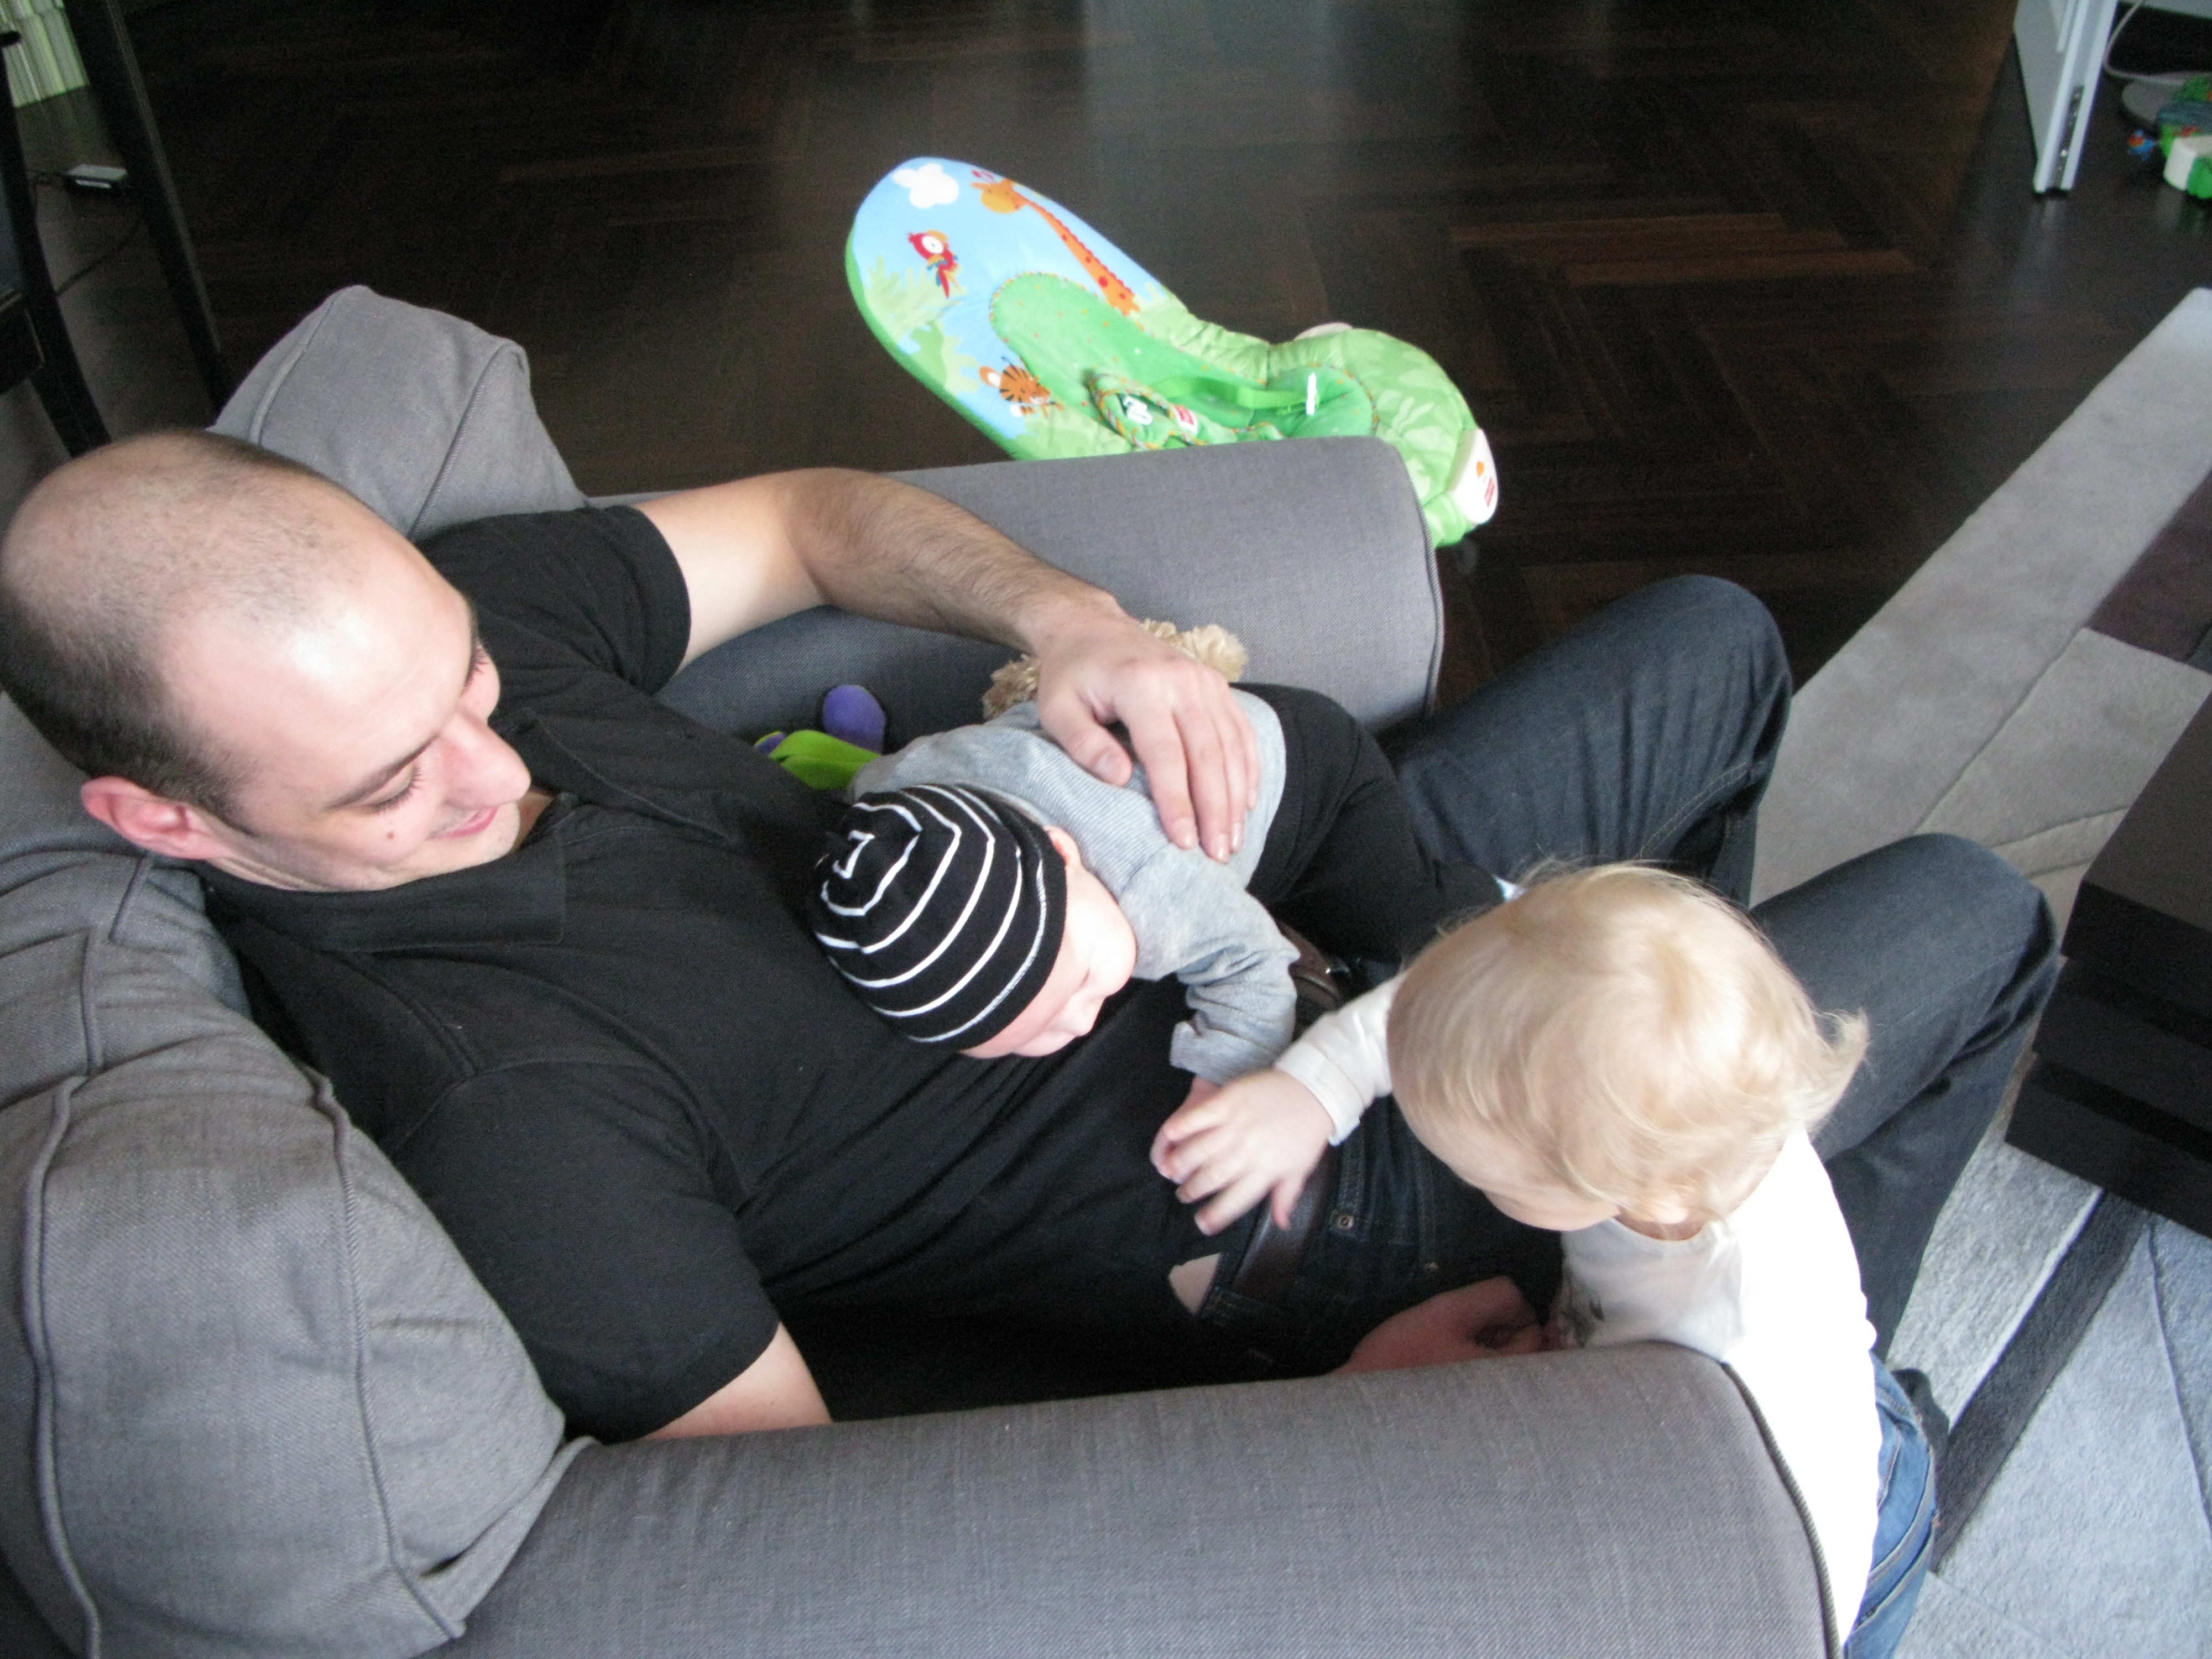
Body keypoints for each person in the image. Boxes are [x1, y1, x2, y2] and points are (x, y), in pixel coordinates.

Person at [0, 428, 2058, 1453]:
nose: (490, 757)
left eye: (467, 679)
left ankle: (1698, 1192)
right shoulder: (505, 1108)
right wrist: (1350, 1431)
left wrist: (1069, 627)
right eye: (395, 783)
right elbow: (799, 1500)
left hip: (1283, 948)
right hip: (1336, 1213)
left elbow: (805, 512)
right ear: (161, 817)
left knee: (1712, 638)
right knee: (1972, 910)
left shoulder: (458, 644)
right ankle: (1808, 1416)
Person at [1155, 863, 1934, 1656]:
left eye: (1486, 1180)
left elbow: (1778, 1598)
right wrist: (1316, 1090)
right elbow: (1434, 1019)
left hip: (1838, 1549)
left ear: (1621, 1187)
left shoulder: (1733, 1351)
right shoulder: (1612, 1059)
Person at [808, 681, 1504, 1081]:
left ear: (1064, 852)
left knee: (1398, 923)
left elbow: (1256, 961)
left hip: (1312, 783)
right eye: (1032, 1035)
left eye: (1080, 983)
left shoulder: (1146, 891)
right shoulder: (898, 786)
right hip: (1159, 754)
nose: (1080, 1019)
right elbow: (871, 789)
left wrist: (1223, 1076)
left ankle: (1508, 907)